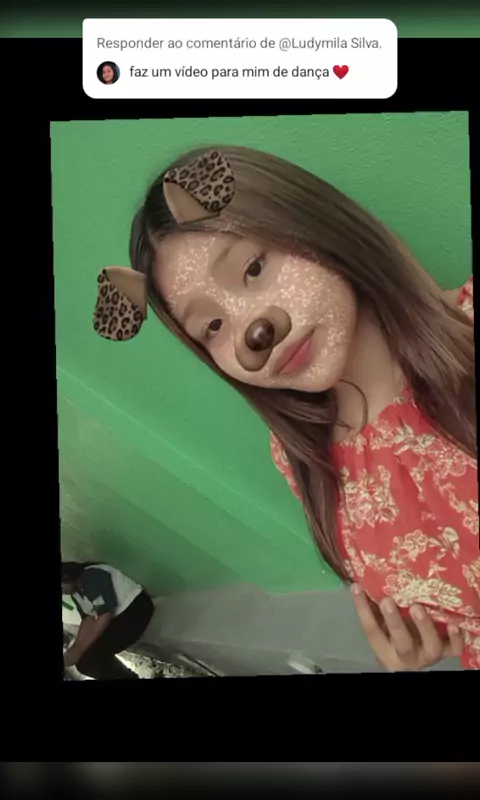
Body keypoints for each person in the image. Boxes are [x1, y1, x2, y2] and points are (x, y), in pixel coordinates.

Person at [92, 146, 478, 670]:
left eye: (253, 267)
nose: (252, 330)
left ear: (314, 225)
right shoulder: (300, 457)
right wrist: (416, 653)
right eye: (212, 326)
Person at [62, 561, 154, 679]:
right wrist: (75, 649)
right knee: (85, 661)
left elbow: (106, 614)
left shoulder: (91, 576)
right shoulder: (76, 593)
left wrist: (79, 650)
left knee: (91, 659)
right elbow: (87, 619)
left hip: (135, 610)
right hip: (117, 618)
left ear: (66, 578)